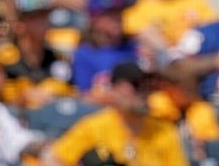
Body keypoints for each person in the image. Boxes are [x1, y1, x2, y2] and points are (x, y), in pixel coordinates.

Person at [42, 62, 188, 166]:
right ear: (115, 90)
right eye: (137, 84)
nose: (145, 92)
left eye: (150, 86)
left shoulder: (165, 130)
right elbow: (52, 160)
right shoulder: (94, 127)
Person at [72, 0, 137, 100]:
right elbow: (84, 97)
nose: (117, 19)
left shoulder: (134, 46)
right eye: (111, 14)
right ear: (94, 19)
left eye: (119, 13)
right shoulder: (84, 54)